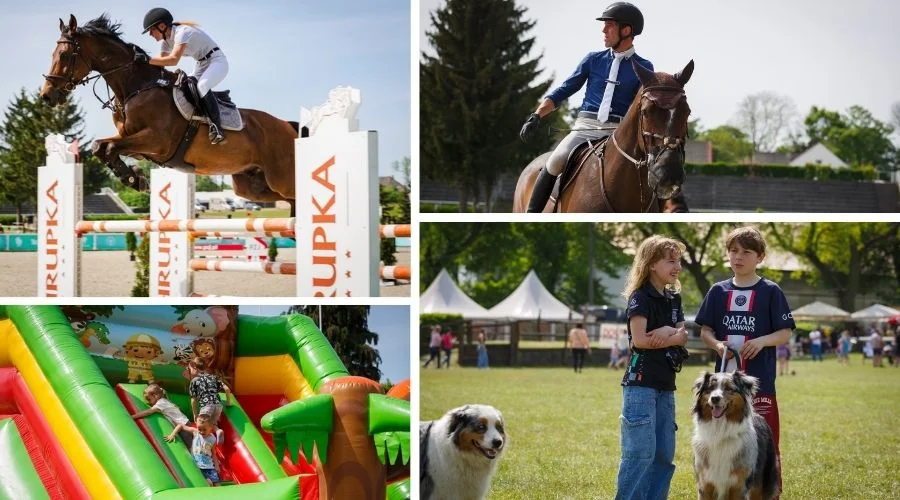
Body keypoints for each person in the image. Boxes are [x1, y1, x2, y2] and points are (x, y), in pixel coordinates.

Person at [519, 2, 653, 212]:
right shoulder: (593, 60)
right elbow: (564, 89)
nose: (603, 30)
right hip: (585, 128)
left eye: (609, 25)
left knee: (653, 170)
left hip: (618, 132)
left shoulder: (645, 67)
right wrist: (537, 115)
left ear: (626, 30)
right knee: (555, 161)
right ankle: (532, 213)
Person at [696, 226, 794, 499]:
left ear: (760, 257)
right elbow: (705, 331)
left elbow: (785, 332)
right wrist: (716, 344)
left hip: (760, 384)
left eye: (746, 252)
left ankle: (771, 493)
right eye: (733, 251)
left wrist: (762, 341)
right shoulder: (717, 291)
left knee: (766, 442)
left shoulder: (771, 291)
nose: (738, 257)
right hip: (722, 389)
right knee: (722, 444)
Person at [615, 235, 688, 500]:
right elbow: (640, 340)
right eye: (670, 261)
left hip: (666, 387)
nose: (677, 266)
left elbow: (683, 336)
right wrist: (670, 335)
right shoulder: (640, 297)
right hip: (640, 386)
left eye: (678, 260)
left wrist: (666, 332)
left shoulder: (673, 298)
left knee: (664, 458)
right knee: (639, 455)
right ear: (651, 264)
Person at [139, 8, 228, 144]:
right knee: (183, 87)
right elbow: (160, 64)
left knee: (202, 86)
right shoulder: (166, 41)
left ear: (162, 26)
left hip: (217, 61)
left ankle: (217, 127)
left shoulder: (182, 32)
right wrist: (139, 67)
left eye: (151, 30)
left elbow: (173, 60)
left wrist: (145, 59)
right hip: (201, 64)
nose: (150, 34)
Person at [187, 357, 233, 444]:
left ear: (195, 368)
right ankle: (218, 431)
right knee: (212, 423)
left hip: (206, 406)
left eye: (190, 369)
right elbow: (227, 389)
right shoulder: (213, 377)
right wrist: (229, 402)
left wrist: (195, 415)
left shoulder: (194, 381)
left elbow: (193, 400)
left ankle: (202, 444)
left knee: (201, 426)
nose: (190, 371)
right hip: (218, 405)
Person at [182, 413, 221, 486]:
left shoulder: (212, 439)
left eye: (204, 429)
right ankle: (209, 483)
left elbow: (213, 453)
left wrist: (216, 465)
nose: (201, 432)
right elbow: (181, 426)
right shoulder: (196, 432)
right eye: (199, 429)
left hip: (209, 466)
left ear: (211, 427)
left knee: (217, 483)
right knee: (207, 483)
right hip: (198, 466)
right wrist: (173, 434)